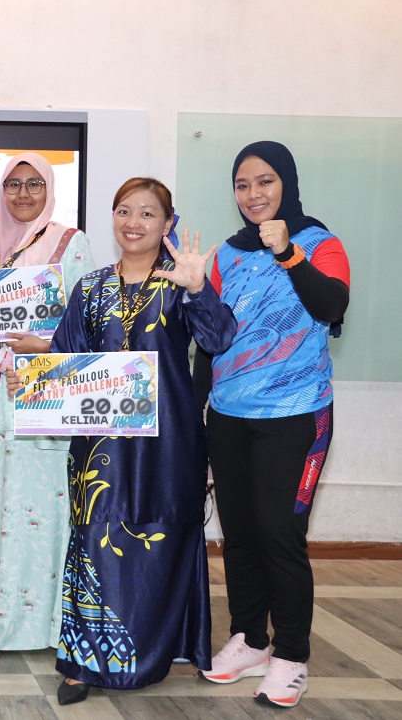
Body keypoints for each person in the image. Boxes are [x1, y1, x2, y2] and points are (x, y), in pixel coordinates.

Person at [22, 177, 235, 704]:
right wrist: (32, 375)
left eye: (147, 213)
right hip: (99, 446)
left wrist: (198, 289)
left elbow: (219, 338)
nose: (133, 222)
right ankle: (83, 664)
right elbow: (68, 357)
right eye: (123, 211)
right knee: (95, 535)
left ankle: (157, 652)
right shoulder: (90, 287)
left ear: (167, 224)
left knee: (163, 533)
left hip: (169, 439)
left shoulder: (179, 282)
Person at [197, 141, 350, 708]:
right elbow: (209, 342)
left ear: (286, 182)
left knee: (279, 535)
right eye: (243, 185)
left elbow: (332, 306)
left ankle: (291, 655)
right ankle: (250, 640)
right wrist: (195, 413)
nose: (253, 194)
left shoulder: (320, 243)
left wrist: (288, 254)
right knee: (238, 533)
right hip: (229, 415)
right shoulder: (225, 255)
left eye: (265, 181)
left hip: (297, 415)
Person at [0, 152, 96, 651]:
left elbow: (87, 321)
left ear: (48, 189)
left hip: (38, 393)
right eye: (13, 184)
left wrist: (43, 347)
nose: (23, 194)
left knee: (37, 508)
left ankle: (35, 620)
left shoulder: (71, 242)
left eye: (33, 184)